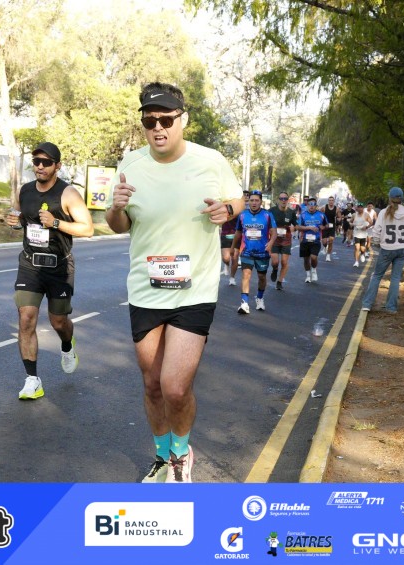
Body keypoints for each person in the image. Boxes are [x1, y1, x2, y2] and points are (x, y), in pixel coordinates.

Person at [106, 82, 244, 483]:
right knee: (152, 385)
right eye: (150, 121)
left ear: (182, 119)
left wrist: (228, 209)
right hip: (146, 289)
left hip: (194, 289)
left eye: (166, 120)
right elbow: (118, 225)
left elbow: (236, 199)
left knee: (175, 388)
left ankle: (181, 455)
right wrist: (116, 207)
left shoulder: (211, 161)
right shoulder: (130, 163)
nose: (158, 128)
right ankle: (162, 456)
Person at [4, 142, 94, 400]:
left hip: (59, 268)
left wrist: (56, 222)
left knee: (58, 321)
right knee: (26, 318)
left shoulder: (68, 194)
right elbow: (18, 216)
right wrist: (13, 221)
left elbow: (88, 228)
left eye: (46, 162)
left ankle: (67, 344)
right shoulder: (25, 190)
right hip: (30, 264)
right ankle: (32, 380)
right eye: (36, 162)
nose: (40, 166)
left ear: (57, 166)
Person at [361, 187, 404, 314]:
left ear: (389, 198)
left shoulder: (383, 213)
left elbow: (376, 230)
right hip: (402, 249)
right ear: (402, 199)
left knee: (377, 276)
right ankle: (391, 307)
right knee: (395, 278)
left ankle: (367, 304)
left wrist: (376, 241)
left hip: (387, 248)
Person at [233, 190, 276, 313]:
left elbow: (274, 232)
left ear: (261, 202)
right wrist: (234, 248)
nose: (254, 203)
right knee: (246, 274)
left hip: (262, 251)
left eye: (257, 200)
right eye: (252, 200)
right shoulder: (243, 215)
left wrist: (271, 243)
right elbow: (238, 233)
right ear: (249, 201)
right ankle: (244, 303)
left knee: (261, 277)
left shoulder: (267, 215)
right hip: (247, 251)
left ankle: (260, 298)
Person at [269, 190, 298, 291]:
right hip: (274, 239)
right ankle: (275, 269)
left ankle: (279, 281)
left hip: (286, 239)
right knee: (275, 262)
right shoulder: (272, 210)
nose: (283, 200)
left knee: (284, 262)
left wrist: (294, 228)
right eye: (281, 198)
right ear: (278, 200)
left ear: (288, 200)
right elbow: (266, 222)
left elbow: (296, 225)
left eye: (285, 198)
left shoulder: (291, 212)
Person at [297, 197, 326, 283]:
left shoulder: (321, 215)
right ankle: (308, 276)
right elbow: (298, 227)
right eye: (310, 204)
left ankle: (314, 270)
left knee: (313, 257)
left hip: (316, 240)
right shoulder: (303, 215)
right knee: (306, 259)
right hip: (304, 240)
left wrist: (323, 227)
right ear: (307, 205)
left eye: (313, 204)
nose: (311, 206)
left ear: (316, 206)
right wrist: (309, 227)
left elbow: (327, 225)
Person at [220, 215, 239, 286]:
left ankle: (232, 278)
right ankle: (227, 264)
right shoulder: (224, 211)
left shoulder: (239, 211)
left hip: (237, 234)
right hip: (225, 234)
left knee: (234, 258)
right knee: (226, 258)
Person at [351, 203, 372, 267]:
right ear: (357, 208)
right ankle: (356, 262)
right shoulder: (354, 215)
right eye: (359, 207)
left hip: (363, 234)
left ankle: (362, 254)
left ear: (363, 208)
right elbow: (350, 221)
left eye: (361, 207)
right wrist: (351, 224)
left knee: (362, 249)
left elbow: (371, 222)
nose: (360, 208)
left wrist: (366, 227)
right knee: (357, 248)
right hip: (356, 233)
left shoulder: (366, 215)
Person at [322, 196, 339, 261]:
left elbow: (339, 217)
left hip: (332, 226)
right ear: (328, 201)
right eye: (330, 200)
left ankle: (328, 255)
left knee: (331, 241)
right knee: (324, 242)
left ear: (334, 201)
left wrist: (339, 220)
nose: (331, 201)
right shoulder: (324, 207)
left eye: (332, 200)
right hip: (325, 226)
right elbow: (319, 214)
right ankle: (325, 246)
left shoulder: (336, 209)